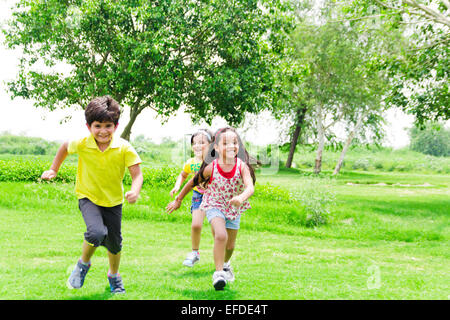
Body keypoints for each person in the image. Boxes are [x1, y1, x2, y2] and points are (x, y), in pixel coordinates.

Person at [41, 96, 143, 294]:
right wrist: (54, 169)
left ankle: (114, 276)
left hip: (113, 201)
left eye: (108, 125)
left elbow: (137, 175)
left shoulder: (124, 147)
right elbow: (64, 147)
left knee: (114, 243)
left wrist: (135, 191)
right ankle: (83, 264)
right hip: (87, 196)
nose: (103, 131)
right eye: (98, 126)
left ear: (116, 125)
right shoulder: (82, 143)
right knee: (96, 233)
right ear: (89, 126)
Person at [166, 127, 255, 290]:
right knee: (221, 236)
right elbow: (191, 182)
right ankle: (219, 273)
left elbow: (250, 187)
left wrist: (241, 198)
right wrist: (178, 199)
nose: (231, 146)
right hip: (214, 204)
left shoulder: (241, 166)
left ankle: (226, 264)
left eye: (234, 143)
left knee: (230, 246)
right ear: (217, 148)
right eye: (226, 143)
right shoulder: (211, 167)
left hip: (233, 207)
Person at [169, 129, 213, 267]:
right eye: (194, 143)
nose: (197, 146)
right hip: (198, 196)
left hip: (214, 196)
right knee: (196, 225)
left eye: (201, 142)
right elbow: (183, 175)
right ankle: (195, 253)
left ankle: (223, 257)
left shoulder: (215, 162)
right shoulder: (191, 162)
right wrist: (177, 186)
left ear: (211, 144)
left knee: (216, 229)